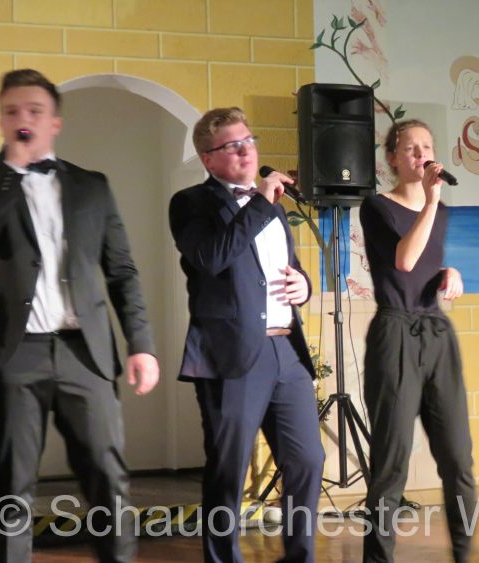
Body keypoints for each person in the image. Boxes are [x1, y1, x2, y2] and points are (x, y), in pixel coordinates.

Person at [0, 68, 160, 562]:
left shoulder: (92, 186)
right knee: (14, 482)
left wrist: (141, 344)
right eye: (11, 111)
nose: (22, 119)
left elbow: (121, 269)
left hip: (84, 350)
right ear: (1, 121)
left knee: (107, 474)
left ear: (55, 123)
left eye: (34, 111)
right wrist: (12, 171)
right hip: (14, 351)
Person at [168, 107, 324, 563]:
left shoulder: (268, 206)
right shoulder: (191, 203)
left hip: (286, 351)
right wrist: (260, 203)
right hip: (231, 355)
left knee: (307, 460)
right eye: (232, 146)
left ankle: (299, 557)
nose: (246, 150)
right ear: (208, 159)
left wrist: (304, 285)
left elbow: (285, 268)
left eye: (249, 140)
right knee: (229, 467)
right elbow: (211, 258)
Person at [359, 119, 477, 563]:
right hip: (395, 332)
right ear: (392, 157)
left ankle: (464, 554)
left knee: (458, 458)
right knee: (392, 462)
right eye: (410, 148)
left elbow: (426, 264)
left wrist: (450, 271)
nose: (421, 154)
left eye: (427, 146)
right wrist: (430, 202)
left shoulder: (438, 212)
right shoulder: (377, 206)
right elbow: (405, 260)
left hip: (436, 331)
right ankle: (378, 558)